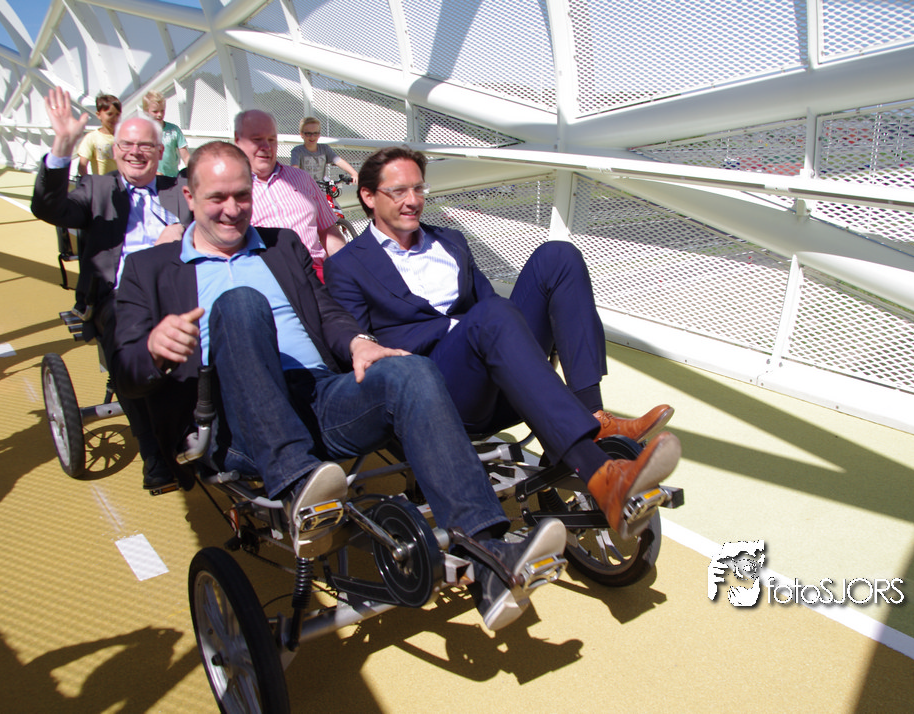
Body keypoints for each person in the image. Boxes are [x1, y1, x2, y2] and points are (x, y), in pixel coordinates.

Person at [111, 140, 566, 631]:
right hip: (237, 417)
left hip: (318, 395)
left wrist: (359, 343)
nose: (232, 209)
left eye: (242, 195)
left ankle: (489, 556)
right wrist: (154, 348)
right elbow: (125, 370)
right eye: (217, 197)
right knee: (240, 303)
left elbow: (327, 312)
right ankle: (297, 485)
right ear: (189, 196)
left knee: (409, 370)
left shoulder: (282, 245)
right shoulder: (149, 269)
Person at [324, 146, 681, 539]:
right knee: (490, 317)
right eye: (398, 191)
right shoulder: (347, 265)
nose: (413, 201)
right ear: (368, 196)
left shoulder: (451, 242)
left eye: (419, 189)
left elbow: (490, 305)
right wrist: (459, 327)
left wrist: (481, 325)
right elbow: (364, 346)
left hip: (492, 365)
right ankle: (599, 473)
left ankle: (593, 415)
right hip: (438, 389)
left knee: (557, 257)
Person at [31, 86, 190, 491]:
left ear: (160, 151)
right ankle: (155, 454)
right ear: (115, 150)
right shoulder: (97, 189)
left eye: (146, 146)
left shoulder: (179, 191)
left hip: (179, 290)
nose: (136, 152)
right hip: (118, 296)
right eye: (127, 145)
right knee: (128, 339)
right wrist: (62, 147)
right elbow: (48, 207)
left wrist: (183, 232)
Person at [234, 109, 346, 282]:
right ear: (237, 140)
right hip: (267, 277)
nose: (266, 147)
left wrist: (349, 268)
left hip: (315, 273)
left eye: (271, 139)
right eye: (257, 139)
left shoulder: (302, 178)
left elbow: (328, 230)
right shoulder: (230, 189)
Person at [290, 117, 358, 183]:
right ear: (301, 134)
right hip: (304, 186)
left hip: (320, 187)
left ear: (319, 134)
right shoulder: (297, 151)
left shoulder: (324, 149)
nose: (312, 137)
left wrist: (354, 173)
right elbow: (294, 169)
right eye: (308, 134)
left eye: (315, 133)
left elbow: (338, 161)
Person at [142, 91, 189, 178]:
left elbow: (185, 156)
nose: (159, 114)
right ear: (146, 112)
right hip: (151, 178)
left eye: (162, 110)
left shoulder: (174, 130)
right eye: (155, 111)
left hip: (172, 177)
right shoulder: (142, 132)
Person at [77, 92, 121, 176]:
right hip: (103, 182)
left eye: (117, 114)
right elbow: (82, 166)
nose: (114, 118)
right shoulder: (92, 137)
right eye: (109, 114)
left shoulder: (123, 136)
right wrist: (90, 182)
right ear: (98, 115)